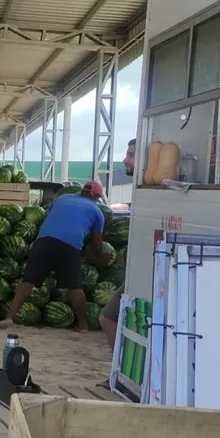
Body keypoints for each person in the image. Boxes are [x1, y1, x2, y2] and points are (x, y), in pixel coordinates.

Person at [1, 181, 106, 334]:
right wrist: (99, 256)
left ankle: (10, 317)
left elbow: (49, 219)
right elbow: (97, 242)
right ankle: (83, 325)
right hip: (69, 247)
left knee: (28, 282)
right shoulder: (97, 212)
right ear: (96, 197)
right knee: (74, 287)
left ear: (82, 191)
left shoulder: (62, 198)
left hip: (43, 242)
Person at [99, 138, 135, 349]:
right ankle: (118, 372)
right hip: (137, 271)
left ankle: (119, 373)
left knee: (108, 318)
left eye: (131, 155)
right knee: (108, 318)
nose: (125, 159)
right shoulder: (142, 192)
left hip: (148, 273)